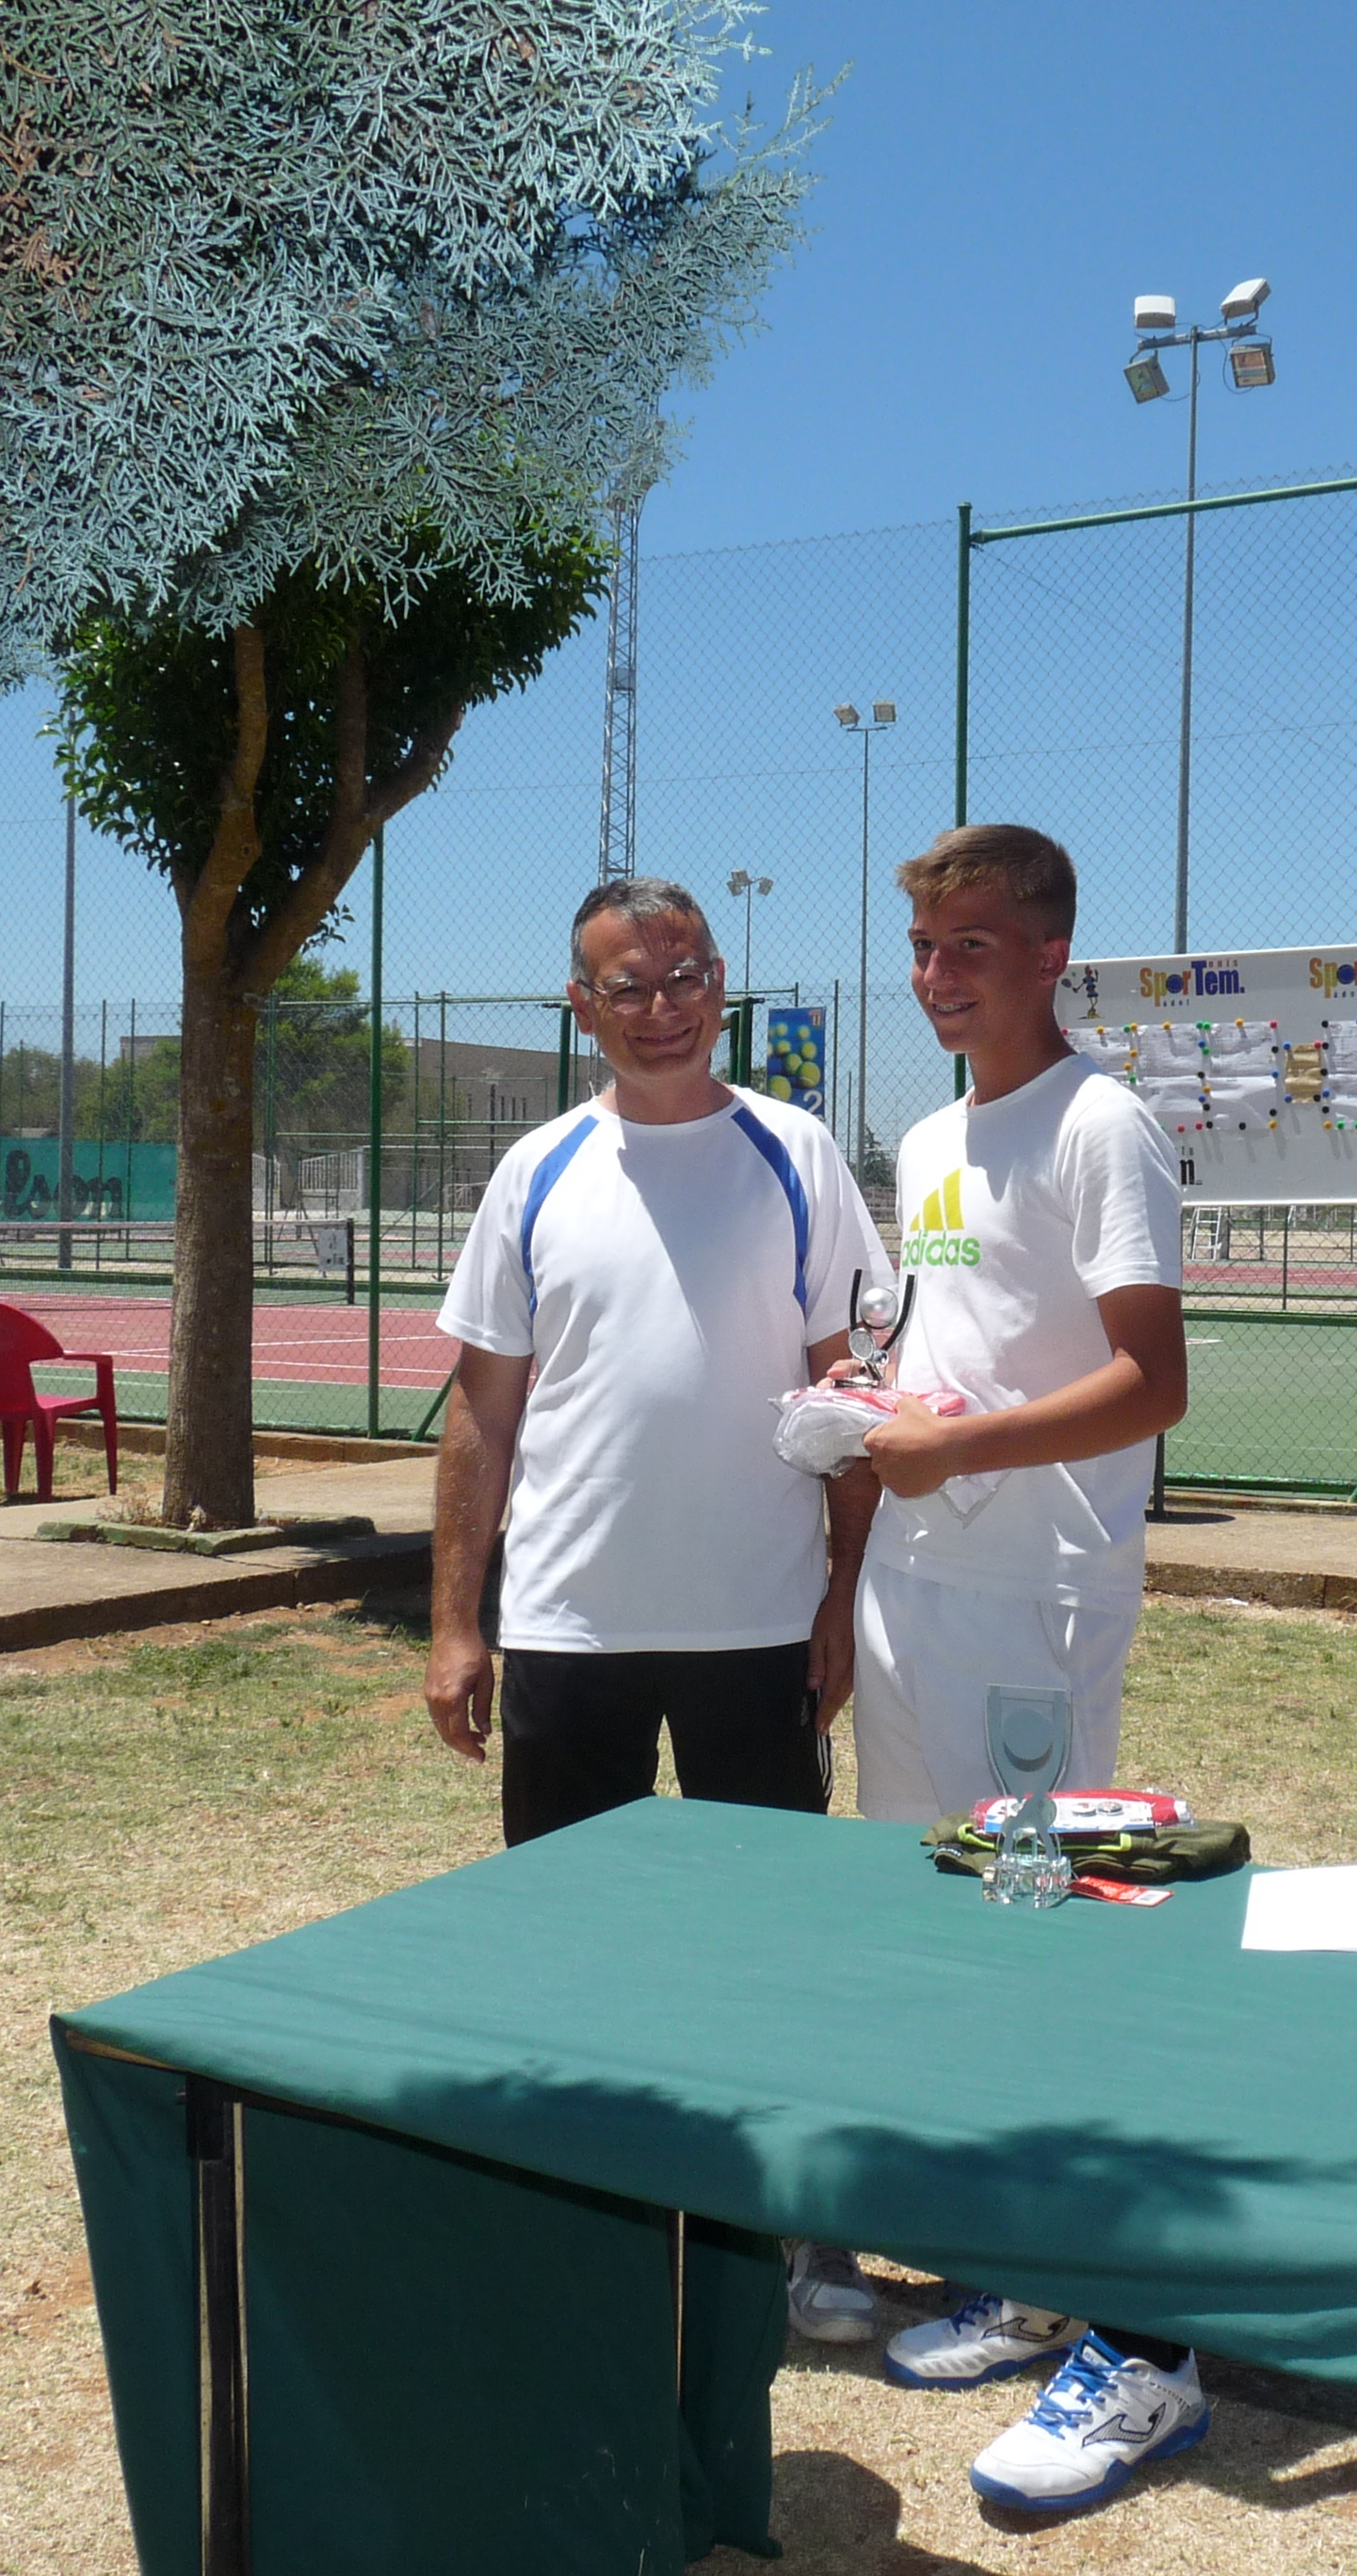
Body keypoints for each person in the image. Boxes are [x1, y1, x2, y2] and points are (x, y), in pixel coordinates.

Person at [424, 876, 892, 2344]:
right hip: (571, 1628)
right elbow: (481, 1416)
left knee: (777, 1944)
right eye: (627, 985)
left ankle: (801, 2230)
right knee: (575, 1949)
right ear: (583, 1008)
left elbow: (848, 1393)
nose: (662, 1005)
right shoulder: (537, 1171)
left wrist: (842, 1591)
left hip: (759, 1625)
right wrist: (457, 1622)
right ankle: (590, 2232)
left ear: (720, 981)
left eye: (684, 974)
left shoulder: (796, 1154)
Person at [848, 824, 1208, 2513]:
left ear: (1052, 953)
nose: (938, 976)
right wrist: (878, 1407)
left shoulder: (1102, 1125)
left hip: (1037, 1600)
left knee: (1041, 1926)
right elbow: (954, 1345)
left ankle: (1088, 2289)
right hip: (911, 1580)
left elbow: (1154, 1383)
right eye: (924, 948)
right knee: (936, 1921)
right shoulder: (930, 1137)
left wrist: (960, 1444)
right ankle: (1004, 2253)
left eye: (971, 947)